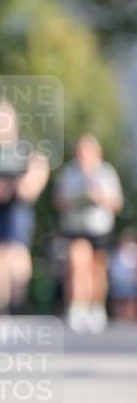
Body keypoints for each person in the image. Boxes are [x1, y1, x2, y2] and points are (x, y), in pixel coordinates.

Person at [0, 100, 49, 313]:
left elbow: (37, 173)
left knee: (15, 252)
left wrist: (24, 185)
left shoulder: (25, 148)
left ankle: (17, 304)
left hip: (18, 207)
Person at [54, 134, 124, 333]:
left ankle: (96, 306)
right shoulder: (70, 172)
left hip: (100, 228)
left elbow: (117, 204)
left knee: (97, 269)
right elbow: (59, 201)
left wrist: (99, 196)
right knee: (78, 261)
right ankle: (77, 306)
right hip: (76, 228)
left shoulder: (106, 173)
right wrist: (78, 198)